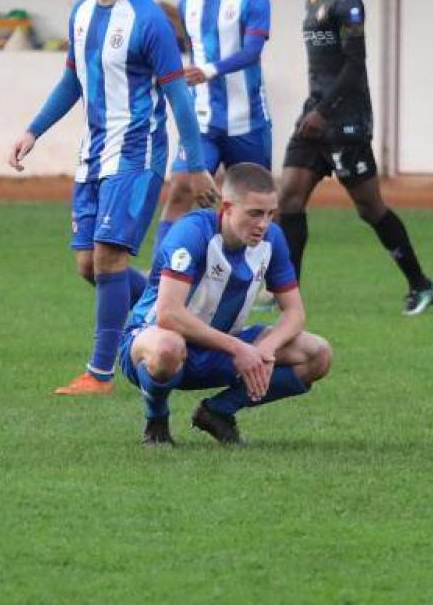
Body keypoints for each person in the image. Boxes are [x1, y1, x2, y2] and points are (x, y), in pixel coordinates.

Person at [8, 0, 218, 396]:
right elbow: (71, 82)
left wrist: (197, 163)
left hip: (137, 155)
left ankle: (100, 374)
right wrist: (33, 130)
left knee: (107, 260)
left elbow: (179, 99)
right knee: (89, 266)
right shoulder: (81, 13)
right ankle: (171, 310)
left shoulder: (149, 21)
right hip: (93, 156)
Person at [279, 0, 433, 316]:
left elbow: (355, 67)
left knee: (370, 209)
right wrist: (313, 111)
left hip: (344, 122)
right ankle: (289, 297)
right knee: (288, 199)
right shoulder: (311, 0)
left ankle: (421, 284)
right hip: (313, 118)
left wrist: (323, 111)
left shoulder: (344, 0)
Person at [119, 162, 331, 445]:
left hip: (222, 347)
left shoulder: (273, 240)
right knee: (169, 347)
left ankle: (218, 412)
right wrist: (239, 348)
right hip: (153, 343)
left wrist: (264, 350)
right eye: (255, 214)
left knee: (318, 354)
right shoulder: (192, 232)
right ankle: (156, 419)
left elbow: (294, 313)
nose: (263, 224)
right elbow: (169, 315)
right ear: (227, 207)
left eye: (270, 214)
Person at [150, 0, 272, 255]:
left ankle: (261, 278)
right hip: (202, 121)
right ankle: (160, 278)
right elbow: (189, 56)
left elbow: (252, 52)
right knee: (180, 191)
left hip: (247, 120)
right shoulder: (187, 3)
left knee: (255, 203)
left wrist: (208, 71)